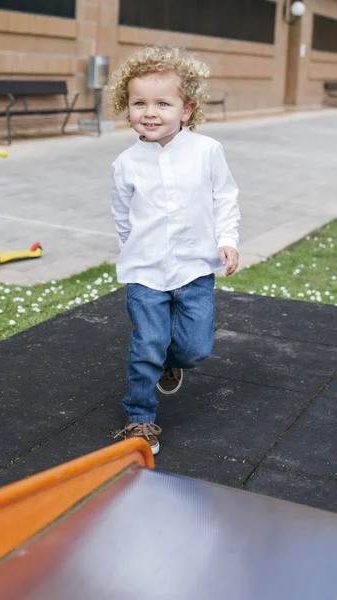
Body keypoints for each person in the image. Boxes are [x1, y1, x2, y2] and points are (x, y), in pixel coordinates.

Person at [107, 46, 240, 455]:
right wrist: (131, 251)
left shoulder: (207, 152)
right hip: (146, 272)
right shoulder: (125, 163)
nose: (150, 112)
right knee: (147, 342)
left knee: (196, 347)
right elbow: (122, 216)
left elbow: (225, 197)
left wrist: (228, 239)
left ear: (186, 110)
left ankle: (172, 360)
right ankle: (140, 419)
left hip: (195, 269)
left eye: (162, 103)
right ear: (126, 107)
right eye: (139, 103)